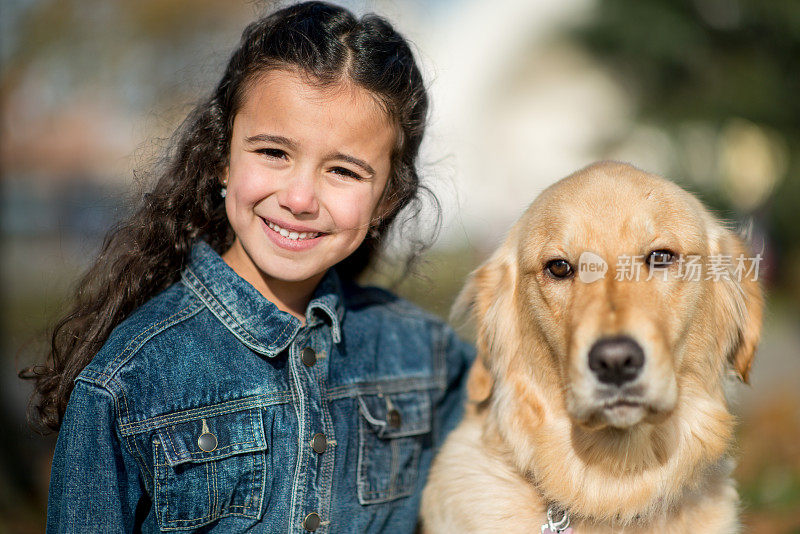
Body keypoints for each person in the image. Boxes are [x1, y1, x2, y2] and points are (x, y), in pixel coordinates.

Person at [20, 2, 475, 532]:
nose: (300, 198)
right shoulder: (125, 382)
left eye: (344, 171)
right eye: (274, 153)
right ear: (221, 155)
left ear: (387, 200)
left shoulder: (427, 357)